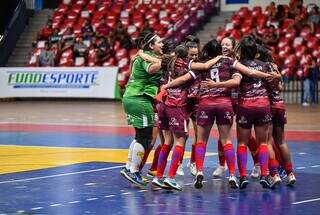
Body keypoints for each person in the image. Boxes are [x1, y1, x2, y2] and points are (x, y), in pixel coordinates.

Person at [120, 32, 163, 186]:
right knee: (145, 137)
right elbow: (152, 68)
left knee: (140, 135)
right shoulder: (147, 57)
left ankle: (128, 167)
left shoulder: (142, 56)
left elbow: (132, 70)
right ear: (151, 46)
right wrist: (151, 58)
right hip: (140, 98)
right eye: (159, 42)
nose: (162, 44)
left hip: (131, 97)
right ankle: (134, 170)